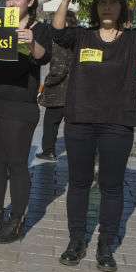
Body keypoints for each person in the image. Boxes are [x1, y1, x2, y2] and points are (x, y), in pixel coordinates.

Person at [53, 0, 136, 272]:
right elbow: (57, 31)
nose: (108, 6)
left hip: (117, 123)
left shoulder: (134, 38)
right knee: (79, 184)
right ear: (95, 7)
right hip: (80, 120)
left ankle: (105, 245)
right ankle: (76, 241)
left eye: (114, 1)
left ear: (123, 6)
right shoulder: (82, 35)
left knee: (112, 187)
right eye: (102, 2)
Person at [0, 0, 52, 244]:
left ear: (30, 1)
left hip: (20, 104)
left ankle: (16, 221)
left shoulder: (39, 28)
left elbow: (43, 56)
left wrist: (31, 42)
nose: (10, 3)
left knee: (16, 163)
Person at [36, 10, 78, 161]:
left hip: (59, 91)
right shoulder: (78, 40)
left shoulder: (61, 42)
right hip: (74, 90)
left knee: (51, 123)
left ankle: (48, 151)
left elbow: (58, 69)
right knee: (73, 125)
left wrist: (46, 84)